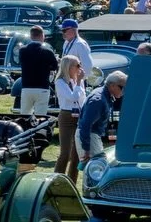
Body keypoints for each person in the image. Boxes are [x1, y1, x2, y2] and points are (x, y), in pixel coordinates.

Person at [78, 72, 126, 170]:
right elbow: (86, 125)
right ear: (112, 86)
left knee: (94, 169)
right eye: (122, 88)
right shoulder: (98, 100)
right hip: (90, 135)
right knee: (100, 169)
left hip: (92, 135)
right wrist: (86, 148)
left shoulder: (105, 95)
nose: (124, 91)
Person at [53, 55, 87, 184]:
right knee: (65, 153)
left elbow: (81, 99)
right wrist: (79, 82)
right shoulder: (60, 81)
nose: (80, 68)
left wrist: (79, 82)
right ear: (69, 67)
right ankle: (56, 180)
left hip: (79, 116)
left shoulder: (78, 80)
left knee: (77, 154)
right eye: (77, 65)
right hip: (67, 116)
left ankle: (71, 182)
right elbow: (72, 97)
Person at [17, 26, 58, 115]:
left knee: (25, 114)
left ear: (31, 36)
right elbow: (55, 66)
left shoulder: (22, 50)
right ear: (42, 35)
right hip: (42, 87)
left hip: (27, 86)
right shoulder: (48, 51)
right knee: (40, 116)